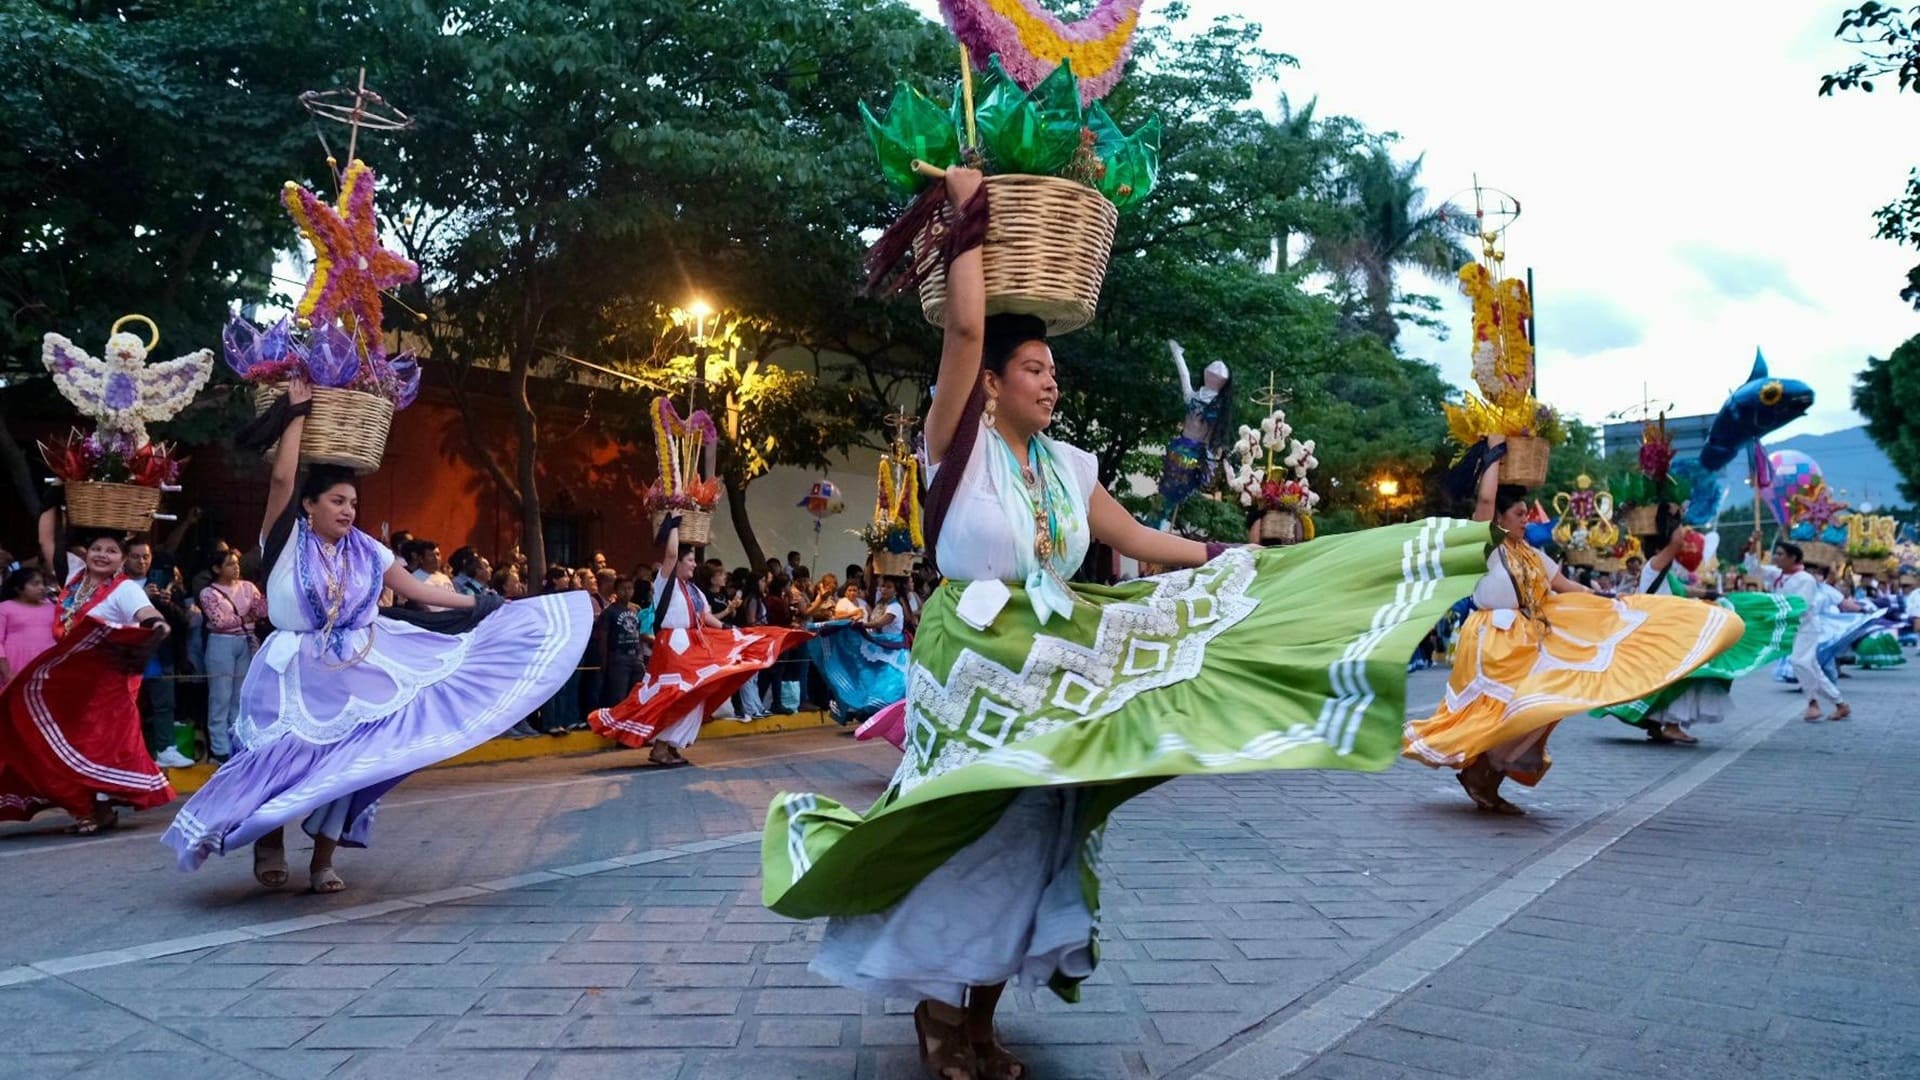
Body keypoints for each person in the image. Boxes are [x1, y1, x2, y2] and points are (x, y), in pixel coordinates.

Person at [761, 167, 1492, 1080]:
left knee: (1042, 826)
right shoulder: (958, 443)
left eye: (1053, 370)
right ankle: (936, 1010)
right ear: (989, 382)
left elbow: (1137, 535)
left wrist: (1228, 560)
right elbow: (961, 325)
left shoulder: (1069, 466)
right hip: (974, 660)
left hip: (1057, 655)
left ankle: (981, 1011)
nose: (1051, 383)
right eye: (1035, 369)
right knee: (968, 824)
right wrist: (967, 211)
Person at [162, 379, 592, 891]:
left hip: (357, 667)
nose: (347, 510)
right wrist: (296, 414)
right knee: (278, 758)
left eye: (352, 503)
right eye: (337, 501)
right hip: (290, 671)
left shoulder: (366, 549)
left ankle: (323, 859)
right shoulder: (284, 538)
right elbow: (281, 480)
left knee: (353, 759)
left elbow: (415, 589)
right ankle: (269, 841)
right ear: (309, 505)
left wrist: (479, 602)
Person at [1403, 447, 1744, 814]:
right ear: (1499, 518)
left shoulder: (1532, 554)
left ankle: (1487, 775)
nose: (1525, 519)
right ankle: (1480, 773)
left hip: (1529, 639)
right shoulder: (1490, 548)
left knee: (1546, 707)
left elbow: (1567, 586)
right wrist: (1495, 453)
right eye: (1519, 513)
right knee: (1511, 709)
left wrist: (1613, 602)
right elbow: (1486, 498)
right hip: (1494, 642)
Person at [589, 522, 809, 765]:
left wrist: (731, 631)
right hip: (673, 646)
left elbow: (706, 617)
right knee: (678, 694)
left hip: (693, 645)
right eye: (690, 559)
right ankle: (661, 747)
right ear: (678, 563)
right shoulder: (665, 582)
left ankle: (671, 746)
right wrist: (673, 522)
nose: (694, 564)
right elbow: (671, 553)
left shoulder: (694, 590)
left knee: (697, 693)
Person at [0, 531, 174, 834]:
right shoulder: (75, 582)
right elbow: (47, 543)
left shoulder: (125, 589)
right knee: (53, 741)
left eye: (111, 551)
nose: (102, 555)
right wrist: (53, 498)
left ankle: (90, 810)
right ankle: (93, 809)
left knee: (93, 745)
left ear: (121, 560)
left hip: (107, 684)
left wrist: (156, 624)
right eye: (96, 549)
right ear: (86, 554)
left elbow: (147, 612)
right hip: (71, 681)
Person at [1593, 522, 1804, 745]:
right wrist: (1675, 516)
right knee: (1687, 675)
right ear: (1659, 550)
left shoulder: (1662, 573)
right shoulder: (1653, 567)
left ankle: (1658, 725)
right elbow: (1675, 543)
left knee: (1673, 678)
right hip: (1664, 632)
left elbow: (1685, 591)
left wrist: (1714, 594)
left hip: (1668, 630)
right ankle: (1672, 726)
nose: (1683, 547)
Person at [198, 548, 267, 764]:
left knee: (240, 695)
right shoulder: (209, 592)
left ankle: (237, 741)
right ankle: (219, 747)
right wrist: (247, 616)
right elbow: (219, 621)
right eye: (229, 564)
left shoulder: (248, 587)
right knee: (220, 696)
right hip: (221, 642)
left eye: (236, 563)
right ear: (217, 568)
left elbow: (263, 611)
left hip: (246, 641)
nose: (235, 567)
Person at [1774, 543, 1850, 722]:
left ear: (1793, 558)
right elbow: (1753, 567)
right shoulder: (1779, 576)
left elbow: (1802, 606)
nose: (1776, 557)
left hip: (1806, 627)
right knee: (1811, 667)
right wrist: (1753, 544)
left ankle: (1813, 702)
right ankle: (1840, 703)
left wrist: (1774, 611)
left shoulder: (1805, 579)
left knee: (1799, 662)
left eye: (1780, 554)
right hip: (1792, 628)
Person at [597, 576, 651, 710]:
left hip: (635, 657)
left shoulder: (634, 611)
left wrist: (639, 655)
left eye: (629, 588)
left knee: (637, 693)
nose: (626, 592)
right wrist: (604, 661)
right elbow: (603, 637)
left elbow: (636, 634)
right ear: (615, 591)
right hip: (618, 657)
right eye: (622, 589)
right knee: (618, 696)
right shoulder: (610, 612)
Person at [0, 567, 56, 690]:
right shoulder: (5, 608)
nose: (42, 587)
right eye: (35, 584)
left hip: (47, 664)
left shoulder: (52, 608)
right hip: (16, 663)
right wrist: (7, 673)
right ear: (18, 588)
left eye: (43, 584)